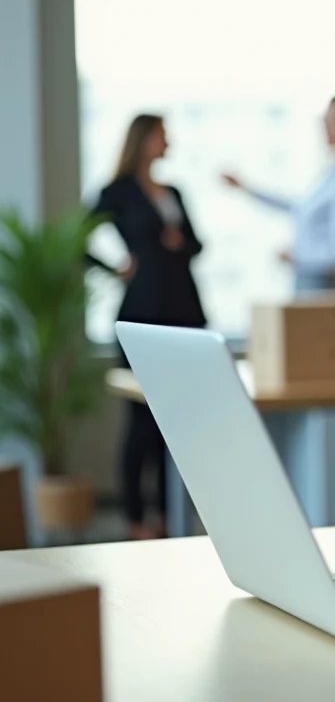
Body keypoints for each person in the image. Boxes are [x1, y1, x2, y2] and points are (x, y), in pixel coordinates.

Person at [87, 114, 206, 540]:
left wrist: (179, 243)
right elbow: (78, 238)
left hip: (184, 312)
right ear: (143, 139)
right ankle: (136, 516)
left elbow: (196, 244)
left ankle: (169, 513)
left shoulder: (173, 191)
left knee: (176, 421)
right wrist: (113, 268)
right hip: (143, 312)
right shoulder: (116, 192)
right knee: (140, 420)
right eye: (161, 134)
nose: (167, 140)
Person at [221, 95, 335, 294]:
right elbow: (299, 208)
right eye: (324, 120)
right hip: (311, 283)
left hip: (324, 287)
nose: (325, 126)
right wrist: (247, 189)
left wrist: (299, 256)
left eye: (333, 120)